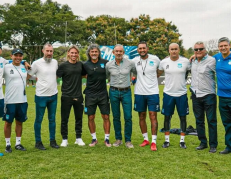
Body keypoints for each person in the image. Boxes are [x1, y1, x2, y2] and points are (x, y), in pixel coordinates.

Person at [157, 43, 190, 149]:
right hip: (168, 94)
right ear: (169, 50)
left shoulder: (186, 62)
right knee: (167, 117)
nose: (174, 51)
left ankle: (182, 141)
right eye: (172, 49)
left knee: (183, 117)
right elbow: (157, 73)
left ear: (179, 50)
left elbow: (190, 70)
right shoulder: (163, 62)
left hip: (182, 94)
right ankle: (166, 141)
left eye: (176, 49)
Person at [28, 43, 59, 150]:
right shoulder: (37, 63)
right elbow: (28, 75)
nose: (49, 53)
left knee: (52, 119)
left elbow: (55, 75)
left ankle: (52, 141)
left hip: (53, 95)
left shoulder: (55, 62)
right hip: (41, 96)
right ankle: (38, 142)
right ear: (43, 51)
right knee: (39, 119)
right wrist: (34, 78)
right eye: (47, 51)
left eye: (51, 51)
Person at [106, 44, 136, 149]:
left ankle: (128, 140)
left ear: (123, 52)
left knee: (128, 117)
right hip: (113, 91)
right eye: (117, 51)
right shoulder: (108, 65)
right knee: (116, 116)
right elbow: (106, 76)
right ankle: (118, 139)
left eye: (121, 51)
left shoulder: (130, 63)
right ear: (113, 52)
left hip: (126, 92)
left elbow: (135, 73)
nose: (119, 53)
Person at [132, 41, 160, 151]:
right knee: (141, 116)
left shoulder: (155, 59)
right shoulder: (134, 60)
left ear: (147, 49)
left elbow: (160, 71)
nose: (142, 50)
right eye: (140, 48)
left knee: (153, 115)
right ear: (138, 50)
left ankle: (154, 141)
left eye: (144, 48)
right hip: (139, 92)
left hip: (153, 92)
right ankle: (145, 139)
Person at [56, 45, 86, 147]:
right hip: (66, 96)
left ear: (78, 54)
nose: (74, 55)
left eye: (75, 53)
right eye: (72, 53)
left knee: (79, 118)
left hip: (78, 95)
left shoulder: (81, 65)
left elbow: (85, 75)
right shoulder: (63, 66)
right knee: (65, 119)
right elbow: (55, 76)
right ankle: (64, 139)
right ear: (68, 54)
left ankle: (78, 138)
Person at [190, 41, 217, 153]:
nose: (198, 51)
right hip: (195, 94)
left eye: (201, 49)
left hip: (208, 95)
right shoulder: (192, 61)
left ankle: (213, 145)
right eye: (196, 50)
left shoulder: (212, 60)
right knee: (199, 120)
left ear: (205, 50)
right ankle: (203, 142)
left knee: (211, 120)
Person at [83, 44, 111, 147]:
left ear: (99, 53)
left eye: (96, 52)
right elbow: (81, 74)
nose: (94, 53)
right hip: (90, 94)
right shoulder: (85, 64)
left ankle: (107, 139)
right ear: (89, 53)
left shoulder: (105, 63)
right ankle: (94, 139)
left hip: (103, 94)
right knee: (91, 117)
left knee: (106, 116)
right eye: (92, 52)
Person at [3, 48, 28, 153]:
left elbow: (31, 76)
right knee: (8, 122)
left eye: (20, 56)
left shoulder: (24, 67)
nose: (18, 57)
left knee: (19, 122)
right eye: (15, 55)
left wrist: (24, 62)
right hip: (10, 101)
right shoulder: (6, 67)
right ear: (11, 56)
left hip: (22, 100)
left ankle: (18, 143)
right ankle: (8, 144)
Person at [214, 37, 231, 154]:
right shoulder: (216, 58)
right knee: (227, 123)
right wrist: (193, 56)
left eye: (225, 45)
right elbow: (203, 57)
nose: (223, 48)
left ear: (229, 46)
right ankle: (229, 146)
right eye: (221, 46)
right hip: (222, 97)